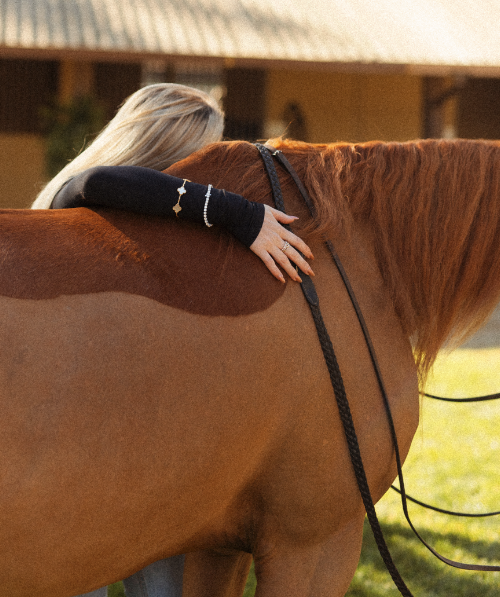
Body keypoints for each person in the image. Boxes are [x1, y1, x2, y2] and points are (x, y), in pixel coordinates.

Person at [32, 83, 314, 597]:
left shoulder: (154, 218)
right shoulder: (71, 195)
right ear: (158, 148)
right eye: (194, 154)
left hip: (143, 471)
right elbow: (95, 182)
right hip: (69, 474)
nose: (200, 167)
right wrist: (238, 214)